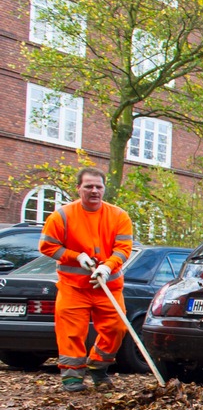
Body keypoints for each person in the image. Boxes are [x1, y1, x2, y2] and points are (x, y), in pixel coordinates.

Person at [38, 167, 133, 392]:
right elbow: (47, 246)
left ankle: (99, 367)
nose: (94, 191)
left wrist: (107, 267)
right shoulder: (62, 215)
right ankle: (72, 378)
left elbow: (123, 248)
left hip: (108, 285)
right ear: (78, 188)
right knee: (71, 331)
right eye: (88, 186)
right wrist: (75, 256)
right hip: (73, 287)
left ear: (104, 189)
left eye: (98, 187)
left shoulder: (119, 216)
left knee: (116, 328)